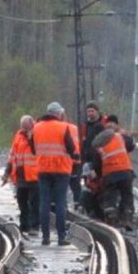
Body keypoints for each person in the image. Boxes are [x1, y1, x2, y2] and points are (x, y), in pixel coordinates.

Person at [31, 102, 78, 246]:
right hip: (61, 170)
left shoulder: (36, 127)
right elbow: (71, 148)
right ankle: (61, 237)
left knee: (44, 203)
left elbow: (33, 149)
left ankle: (45, 237)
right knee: (60, 203)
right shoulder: (63, 127)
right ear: (59, 113)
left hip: (43, 170)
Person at [88, 114, 136, 229]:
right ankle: (127, 219)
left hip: (109, 173)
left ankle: (111, 220)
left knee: (110, 197)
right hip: (125, 171)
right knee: (127, 195)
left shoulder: (97, 144)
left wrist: (99, 175)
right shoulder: (119, 136)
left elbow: (97, 164)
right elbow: (131, 145)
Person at [2, 115, 40, 234]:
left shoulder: (37, 134)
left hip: (34, 175)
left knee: (34, 202)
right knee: (22, 201)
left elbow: (38, 151)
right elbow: (12, 155)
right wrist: (7, 172)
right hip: (21, 176)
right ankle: (24, 225)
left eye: (26, 127)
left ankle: (34, 226)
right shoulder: (18, 136)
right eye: (22, 127)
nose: (24, 129)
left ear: (31, 124)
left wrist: (30, 138)